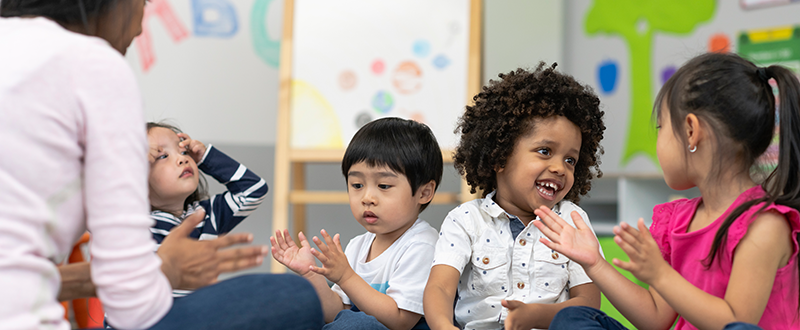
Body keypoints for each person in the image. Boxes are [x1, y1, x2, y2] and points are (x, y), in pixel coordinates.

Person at [0, 1, 323, 329]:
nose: (141, 27)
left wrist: (206, 157)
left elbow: (254, 189)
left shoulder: (202, 215)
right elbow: (132, 308)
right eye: (144, 2)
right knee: (294, 294)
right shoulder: (93, 64)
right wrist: (165, 269)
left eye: (180, 150)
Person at [537, 52, 800, 330]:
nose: (658, 140)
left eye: (661, 127)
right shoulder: (678, 221)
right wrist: (595, 263)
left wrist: (661, 275)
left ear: (691, 131)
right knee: (572, 319)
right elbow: (655, 319)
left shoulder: (764, 225)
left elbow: (736, 322)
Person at [423, 63, 607, 330]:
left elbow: (588, 304)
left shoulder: (572, 220)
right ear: (499, 157)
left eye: (570, 160)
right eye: (545, 151)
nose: (560, 168)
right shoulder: (466, 220)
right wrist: (444, 327)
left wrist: (535, 316)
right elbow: (440, 287)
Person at [272, 117, 443, 330]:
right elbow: (337, 314)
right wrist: (310, 273)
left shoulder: (423, 245)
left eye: (384, 185)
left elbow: (400, 321)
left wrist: (346, 276)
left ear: (424, 193)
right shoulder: (357, 246)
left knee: (357, 324)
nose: (367, 198)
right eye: (357, 185)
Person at [146, 122, 268, 297]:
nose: (182, 159)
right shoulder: (134, 224)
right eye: (163, 156)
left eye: (184, 152)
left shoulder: (207, 215)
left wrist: (206, 158)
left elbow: (254, 189)